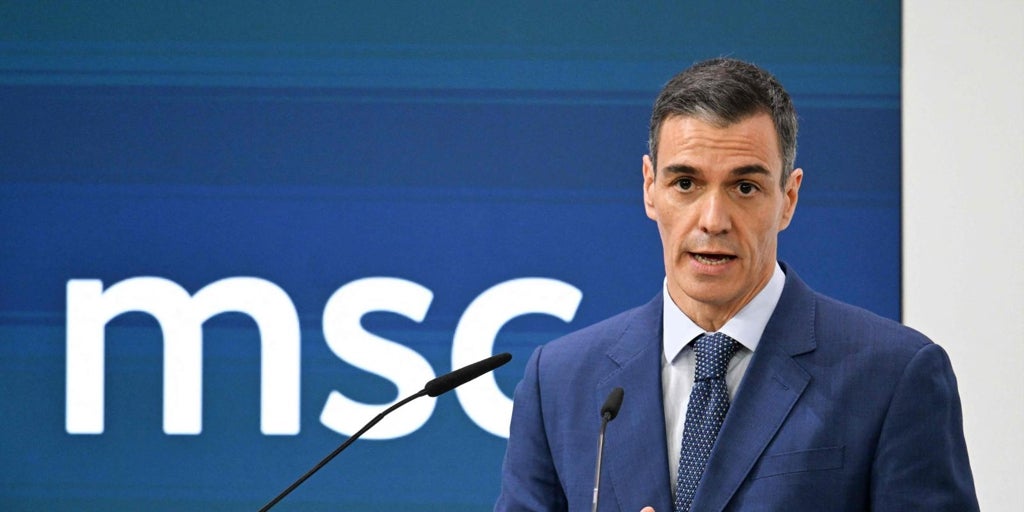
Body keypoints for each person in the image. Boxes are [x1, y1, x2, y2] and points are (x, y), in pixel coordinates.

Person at [494, 58, 978, 511]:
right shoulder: (558, 382)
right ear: (650, 188)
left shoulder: (893, 375)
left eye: (745, 187)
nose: (713, 220)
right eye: (686, 184)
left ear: (788, 198)